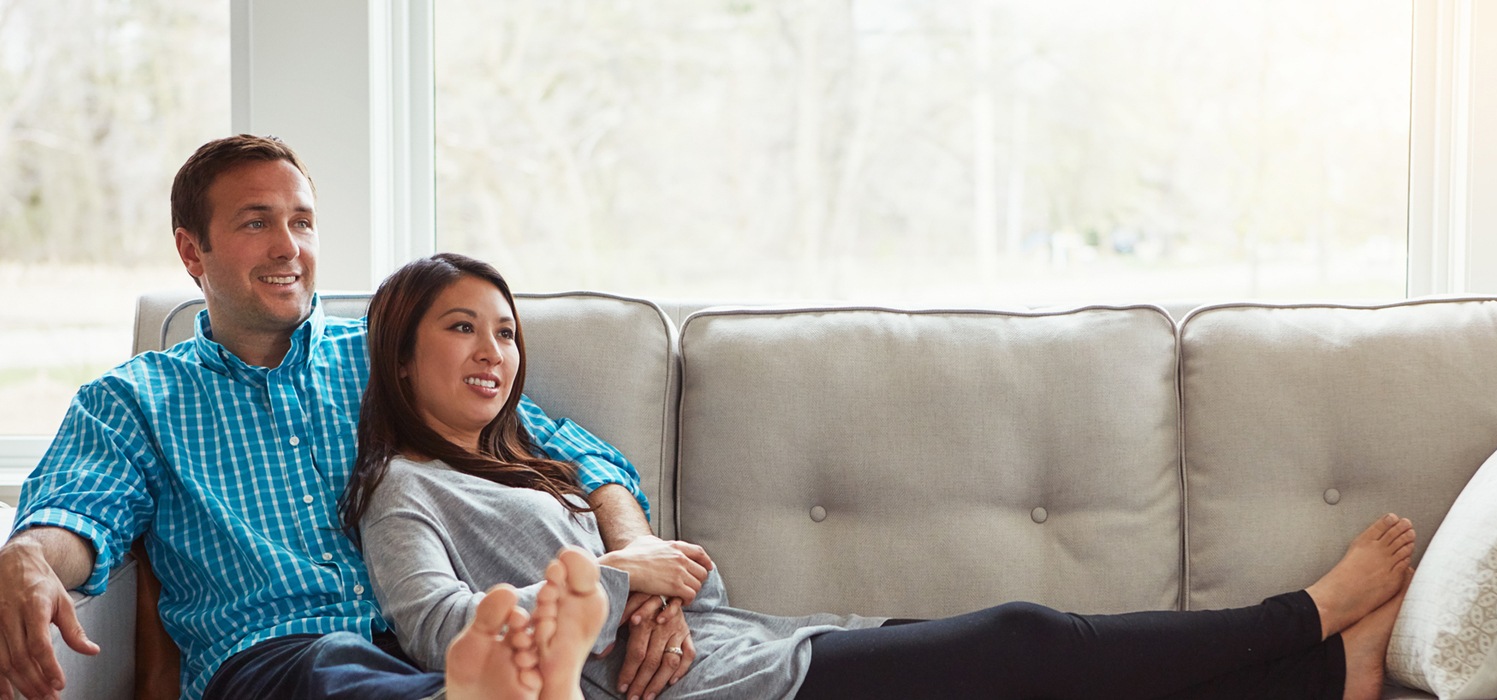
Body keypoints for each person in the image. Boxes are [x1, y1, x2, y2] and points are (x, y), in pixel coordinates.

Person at [348, 252, 1420, 700]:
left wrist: (647, 592)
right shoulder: (407, 490)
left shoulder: (542, 467)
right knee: (1024, 638)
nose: (494, 350)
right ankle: (1306, 617)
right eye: (460, 329)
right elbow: (440, 632)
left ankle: (1325, 678)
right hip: (735, 689)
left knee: (1029, 674)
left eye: (504, 330)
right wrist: (629, 582)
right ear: (401, 356)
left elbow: (676, 573)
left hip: (753, 645)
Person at [0, 135, 706, 700]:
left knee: (468, 674)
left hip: (428, 651)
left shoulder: (386, 356)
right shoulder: (135, 400)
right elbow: (77, 514)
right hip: (277, 660)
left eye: (301, 222)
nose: (289, 247)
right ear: (193, 251)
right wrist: (28, 554)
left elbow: (577, 454)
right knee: (340, 667)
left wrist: (638, 564)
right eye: (257, 223)